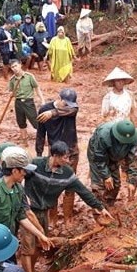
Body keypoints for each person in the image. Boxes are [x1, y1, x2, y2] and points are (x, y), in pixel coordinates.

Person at [22, 141, 111, 272]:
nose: (68, 161)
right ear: (55, 155)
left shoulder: (67, 173)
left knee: (40, 243)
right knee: (28, 247)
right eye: (64, 157)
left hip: (43, 212)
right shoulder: (35, 165)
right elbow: (17, 176)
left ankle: (31, 271)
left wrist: (99, 207)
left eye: (68, 157)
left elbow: (83, 191)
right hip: (27, 211)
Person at [35, 88, 80, 220]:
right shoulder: (44, 110)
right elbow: (40, 134)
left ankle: (68, 217)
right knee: (52, 184)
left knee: (70, 184)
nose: (68, 106)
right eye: (65, 103)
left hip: (71, 150)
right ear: (59, 99)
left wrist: (52, 113)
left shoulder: (73, 109)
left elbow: (71, 110)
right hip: (54, 153)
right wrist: (39, 154)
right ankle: (53, 218)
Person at [87, 119, 137, 206]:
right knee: (99, 185)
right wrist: (106, 176)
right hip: (97, 156)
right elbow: (99, 156)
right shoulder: (103, 135)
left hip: (115, 156)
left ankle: (108, 204)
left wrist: (132, 182)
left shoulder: (133, 138)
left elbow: (133, 160)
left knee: (115, 184)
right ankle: (99, 210)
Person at [9, 60, 45, 142]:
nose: (14, 68)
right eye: (12, 67)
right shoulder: (12, 80)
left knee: (35, 121)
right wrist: (11, 94)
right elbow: (11, 92)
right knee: (21, 122)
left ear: (20, 65)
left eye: (15, 66)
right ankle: (24, 140)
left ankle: (43, 138)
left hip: (28, 102)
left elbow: (37, 88)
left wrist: (42, 100)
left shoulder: (29, 76)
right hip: (18, 102)